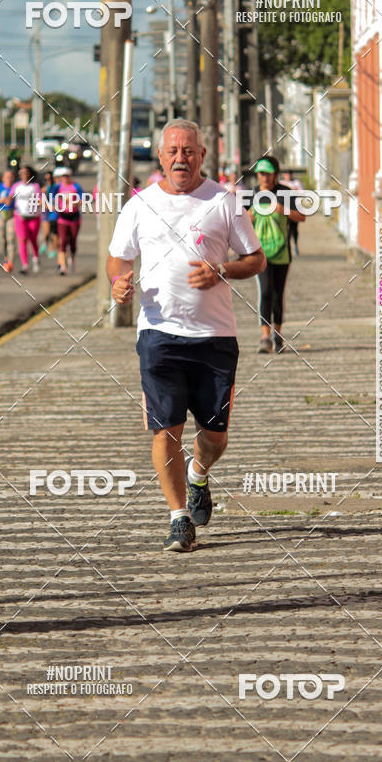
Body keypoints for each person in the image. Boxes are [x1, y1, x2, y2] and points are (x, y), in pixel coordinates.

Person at [107, 118, 266, 552]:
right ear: (160, 157)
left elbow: (256, 260)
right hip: (158, 334)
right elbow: (117, 260)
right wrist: (118, 283)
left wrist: (223, 270)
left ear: (202, 155)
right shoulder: (139, 205)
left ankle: (199, 473)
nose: (181, 158)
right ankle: (178, 517)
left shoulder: (225, 201)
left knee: (214, 437)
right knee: (165, 430)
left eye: (189, 151)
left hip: (215, 336)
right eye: (173, 151)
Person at [249, 156, 306, 353]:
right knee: (264, 291)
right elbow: (242, 220)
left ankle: (278, 334)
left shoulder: (284, 192)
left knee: (277, 293)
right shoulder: (253, 194)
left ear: (275, 174)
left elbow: (302, 217)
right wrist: (248, 216)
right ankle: (265, 336)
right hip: (260, 253)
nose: (264, 177)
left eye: (268, 173)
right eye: (261, 173)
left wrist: (284, 210)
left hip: (282, 251)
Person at [10, 165, 42, 275]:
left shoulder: (35, 186)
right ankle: (25, 265)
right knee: (22, 240)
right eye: (21, 173)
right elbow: (10, 198)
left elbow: (40, 199)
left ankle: (36, 259)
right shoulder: (16, 186)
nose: (23, 175)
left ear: (30, 174)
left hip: (34, 217)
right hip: (20, 216)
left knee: (33, 240)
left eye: (25, 173)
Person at [54, 166, 83, 275]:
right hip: (62, 217)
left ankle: (72, 260)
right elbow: (51, 198)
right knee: (62, 242)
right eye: (63, 176)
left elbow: (82, 199)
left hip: (74, 217)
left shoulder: (75, 186)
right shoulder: (58, 187)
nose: (65, 178)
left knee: (73, 241)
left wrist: (74, 202)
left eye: (67, 176)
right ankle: (62, 266)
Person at [40, 170, 59, 260]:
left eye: (50, 179)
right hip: (46, 212)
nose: (48, 180)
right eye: (46, 179)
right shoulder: (44, 189)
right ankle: (44, 242)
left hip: (55, 212)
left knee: (54, 233)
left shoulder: (57, 187)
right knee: (47, 231)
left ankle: (52, 249)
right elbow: (39, 202)